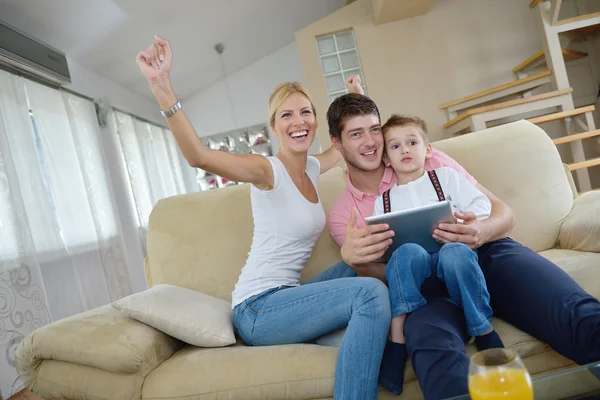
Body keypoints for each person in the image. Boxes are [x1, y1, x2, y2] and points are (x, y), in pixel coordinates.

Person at [136, 36, 391, 400]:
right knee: (369, 293)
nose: (298, 121)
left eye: (305, 112)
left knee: (368, 262)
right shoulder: (265, 170)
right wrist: (162, 88)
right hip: (258, 309)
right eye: (286, 115)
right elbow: (199, 156)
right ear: (274, 127)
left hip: (290, 296)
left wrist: (357, 93)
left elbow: (355, 143)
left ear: (317, 122)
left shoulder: (316, 165)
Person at [325, 79, 600, 399]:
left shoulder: (429, 161)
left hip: (486, 254)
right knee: (434, 356)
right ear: (337, 143)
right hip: (428, 288)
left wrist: (480, 230)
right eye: (356, 134)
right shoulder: (345, 214)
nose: (372, 141)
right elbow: (385, 275)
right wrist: (357, 262)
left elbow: (502, 213)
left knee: (575, 313)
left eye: (374, 129)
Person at [372, 114, 504, 395]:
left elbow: (481, 205)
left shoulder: (445, 177)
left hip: (451, 257)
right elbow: (383, 246)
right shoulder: (382, 200)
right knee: (406, 252)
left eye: (411, 142)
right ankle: (398, 336)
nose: (404, 150)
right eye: (394, 147)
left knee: (455, 253)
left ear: (427, 149)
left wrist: (462, 219)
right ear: (386, 159)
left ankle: (482, 329)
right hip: (417, 272)